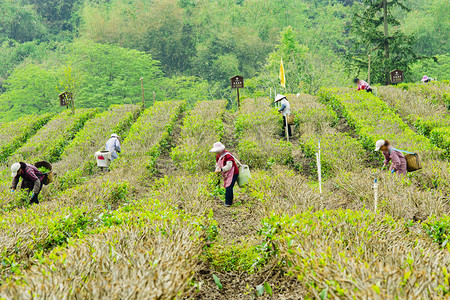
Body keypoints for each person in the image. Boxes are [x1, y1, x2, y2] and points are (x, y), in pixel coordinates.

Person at [210, 142, 239, 207]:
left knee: (229, 187)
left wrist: (221, 169)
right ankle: (228, 201)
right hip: (226, 174)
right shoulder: (218, 156)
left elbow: (229, 166)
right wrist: (217, 169)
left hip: (233, 173)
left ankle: (228, 203)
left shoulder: (228, 155)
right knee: (227, 187)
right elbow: (217, 164)